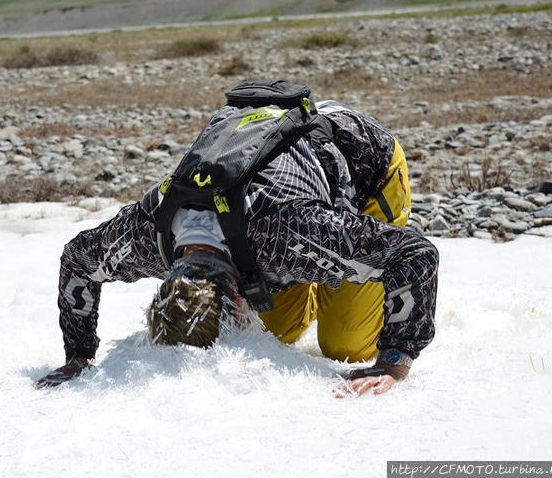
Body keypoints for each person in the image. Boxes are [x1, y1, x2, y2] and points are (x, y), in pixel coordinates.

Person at [36, 80, 439, 396]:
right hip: (284, 215)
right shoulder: (146, 236)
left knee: (344, 344)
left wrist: (394, 361)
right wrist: (79, 355)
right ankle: (324, 268)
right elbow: (78, 260)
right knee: (276, 334)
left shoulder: (283, 235)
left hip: (365, 160)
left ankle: (331, 273)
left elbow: (416, 255)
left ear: (238, 298)